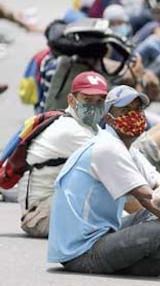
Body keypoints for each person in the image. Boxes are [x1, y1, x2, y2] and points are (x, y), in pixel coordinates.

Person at [47, 86, 160, 276]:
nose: (134, 116)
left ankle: (156, 254)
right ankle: (159, 253)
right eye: (125, 111)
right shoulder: (107, 148)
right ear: (109, 118)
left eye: (138, 110)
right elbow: (148, 198)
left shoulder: (129, 150)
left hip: (101, 232)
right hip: (81, 252)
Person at [19, 72, 109, 238]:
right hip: (40, 216)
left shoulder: (87, 127)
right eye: (87, 100)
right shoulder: (71, 130)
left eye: (99, 101)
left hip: (52, 208)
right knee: (109, 187)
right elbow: (114, 166)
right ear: (71, 100)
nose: (93, 106)